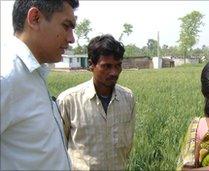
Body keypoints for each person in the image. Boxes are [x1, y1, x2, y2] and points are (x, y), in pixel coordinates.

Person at [0, 0, 79, 170]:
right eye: (66, 26)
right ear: (35, 18)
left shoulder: (33, 74)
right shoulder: (6, 77)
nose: (71, 38)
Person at [57, 34, 136, 170]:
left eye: (118, 66)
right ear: (91, 65)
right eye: (106, 66)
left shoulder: (128, 98)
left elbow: (127, 146)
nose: (114, 72)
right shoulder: (69, 100)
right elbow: (58, 149)